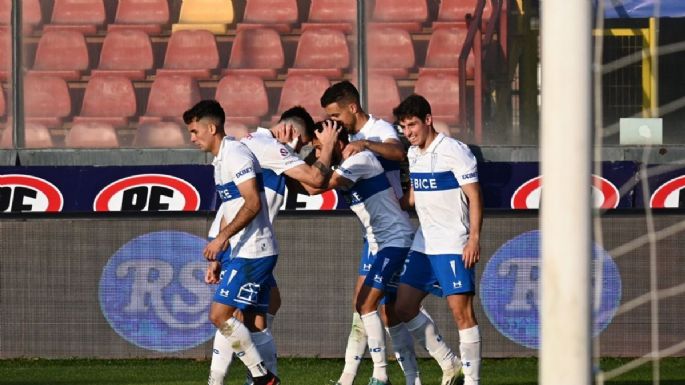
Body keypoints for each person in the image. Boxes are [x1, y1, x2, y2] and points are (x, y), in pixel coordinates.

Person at [204, 104, 339, 385]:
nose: (301, 151)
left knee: (263, 311)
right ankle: (253, 378)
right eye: (302, 144)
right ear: (292, 132)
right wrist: (326, 146)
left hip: (245, 243)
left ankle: (259, 378)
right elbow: (315, 180)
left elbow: (310, 188)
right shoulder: (269, 148)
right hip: (244, 245)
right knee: (227, 315)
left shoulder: (257, 147)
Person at [290, 120, 417, 385]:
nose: (317, 152)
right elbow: (309, 182)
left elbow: (314, 186)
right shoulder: (344, 163)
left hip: (395, 240)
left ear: (336, 141)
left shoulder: (360, 160)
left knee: (372, 306)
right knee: (388, 311)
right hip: (380, 244)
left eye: (321, 146)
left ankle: (382, 375)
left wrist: (284, 163)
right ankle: (410, 376)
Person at [319, 82, 428, 385]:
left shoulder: (378, 130)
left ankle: (395, 372)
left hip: (393, 227)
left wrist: (366, 145)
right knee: (371, 305)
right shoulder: (349, 140)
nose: (334, 122)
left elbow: (397, 152)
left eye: (336, 115)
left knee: (386, 307)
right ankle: (354, 376)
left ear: (352, 107)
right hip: (375, 231)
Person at [183, 100, 281, 385]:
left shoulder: (236, 154)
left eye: (194, 131)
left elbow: (252, 204)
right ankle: (254, 379)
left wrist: (222, 238)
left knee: (220, 314)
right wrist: (217, 257)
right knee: (252, 322)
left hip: (254, 252)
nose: (192, 138)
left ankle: (262, 378)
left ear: (211, 128)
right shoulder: (221, 160)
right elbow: (230, 208)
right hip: (242, 251)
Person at [393, 94, 484, 385]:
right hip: (423, 244)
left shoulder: (455, 151)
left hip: (453, 244)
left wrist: (473, 239)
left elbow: (475, 196)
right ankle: (449, 362)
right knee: (403, 307)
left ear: (428, 120)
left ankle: (472, 381)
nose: (408, 133)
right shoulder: (412, 153)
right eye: (403, 127)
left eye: (412, 125)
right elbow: (413, 198)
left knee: (462, 315)